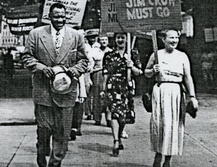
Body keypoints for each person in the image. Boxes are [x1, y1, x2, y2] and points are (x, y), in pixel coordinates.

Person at [22, 3, 87, 167]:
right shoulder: (36, 34)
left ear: (67, 17)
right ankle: (41, 153)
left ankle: (54, 163)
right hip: (43, 92)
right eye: (56, 16)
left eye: (62, 16)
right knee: (44, 129)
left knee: (62, 133)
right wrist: (42, 68)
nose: (60, 19)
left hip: (66, 92)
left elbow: (84, 61)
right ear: (49, 17)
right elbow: (27, 57)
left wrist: (73, 71)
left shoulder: (76, 36)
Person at [144, 29, 198, 167]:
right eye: (171, 38)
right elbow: (146, 73)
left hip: (176, 92)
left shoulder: (182, 56)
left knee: (173, 125)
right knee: (160, 124)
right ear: (163, 39)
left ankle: (168, 160)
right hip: (160, 91)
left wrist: (192, 97)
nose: (174, 41)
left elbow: (187, 77)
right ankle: (158, 154)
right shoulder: (156, 54)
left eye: (176, 38)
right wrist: (153, 70)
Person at [101, 32, 142, 156]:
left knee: (124, 116)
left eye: (122, 38)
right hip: (113, 87)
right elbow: (106, 74)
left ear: (126, 39)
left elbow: (139, 72)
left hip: (127, 87)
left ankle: (119, 134)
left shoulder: (133, 53)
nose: (120, 40)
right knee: (114, 113)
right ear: (115, 39)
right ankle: (116, 140)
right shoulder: (109, 55)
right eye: (118, 37)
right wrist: (103, 90)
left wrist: (131, 65)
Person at [91, 35, 112, 126]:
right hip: (98, 73)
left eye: (105, 40)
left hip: (109, 74)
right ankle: (97, 118)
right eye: (102, 40)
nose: (104, 41)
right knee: (97, 95)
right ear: (99, 41)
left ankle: (109, 119)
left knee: (109, 95)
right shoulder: (95, 51)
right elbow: (91, 63)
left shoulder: (111, 51)